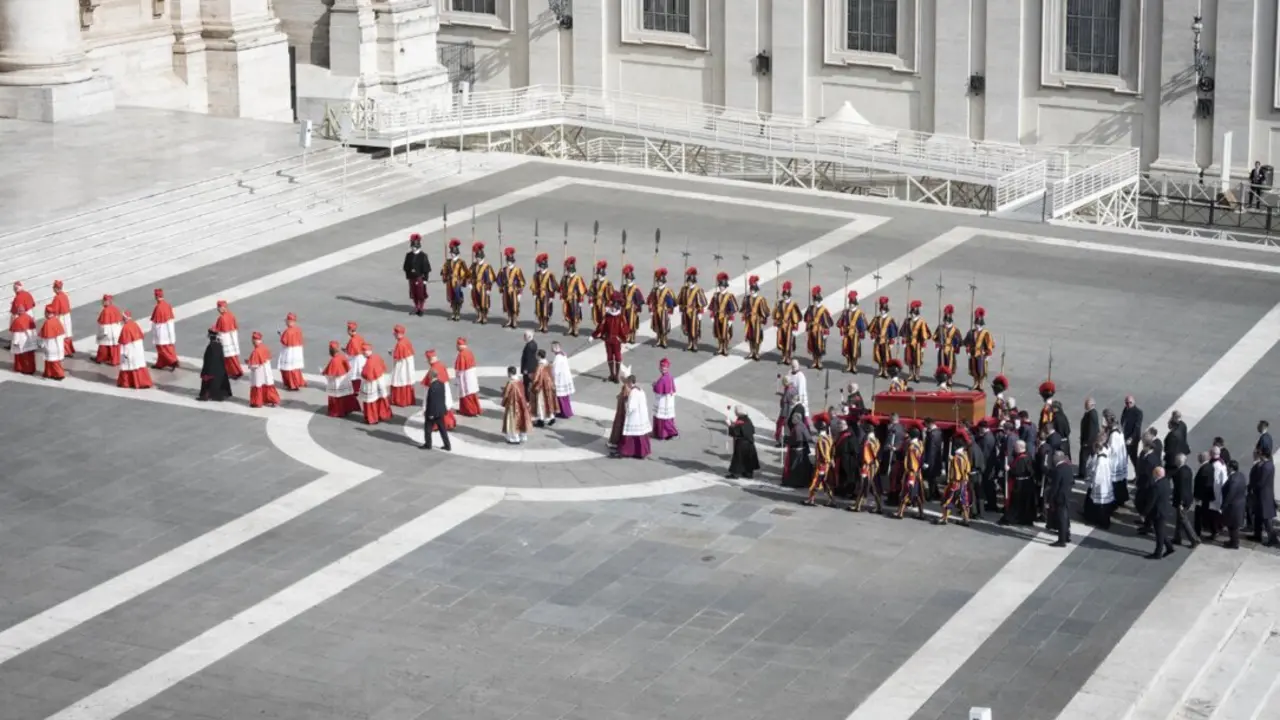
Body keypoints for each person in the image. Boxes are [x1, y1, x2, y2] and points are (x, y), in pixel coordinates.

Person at [592, 294, 627, 383]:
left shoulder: (620, 317)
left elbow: (625, 328)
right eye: (612, 307)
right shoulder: (607, 316)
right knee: (610, 356)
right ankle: (612, 374)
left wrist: (623, 338)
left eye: (614, 307)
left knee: (618, 357)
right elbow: (601, 327)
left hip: (616, 340)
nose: (612, 309)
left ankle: (617, 375)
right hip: (608, 339)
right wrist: (594, 335)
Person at [1142, 466, 1175, 559]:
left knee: (1159, 533)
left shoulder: (1156, 486)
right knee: (1161, 531)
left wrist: (1144, 513)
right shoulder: (1166, 482)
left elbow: (1151, 502)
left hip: (1158, 512)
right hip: (1164, 510)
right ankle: (1169, 547)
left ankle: (1158, 553)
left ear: (1156, 474)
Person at [805, 413, 837, 507]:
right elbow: (832, 450)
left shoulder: (822, 440)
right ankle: (831, 500)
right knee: (825, 483)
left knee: (816, 481)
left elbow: (824, 453)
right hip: (825, 464)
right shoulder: (829, 438)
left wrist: (824, 462)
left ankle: (811, 500)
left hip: (822, 464)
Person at [895, 428, 926, 520]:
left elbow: (913, 463)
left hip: (912, 472)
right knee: (917, 494)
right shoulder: (920, 444)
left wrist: (911, 476)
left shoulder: (912, 447)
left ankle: (900, 513)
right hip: (918, 473)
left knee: (906, 492)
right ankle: (921, 513)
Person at [116, 312, 153, 389]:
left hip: (130, 349)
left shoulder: (125, 328)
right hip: (138, 349)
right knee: (139, 365)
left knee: (127, 365)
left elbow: (124, 342)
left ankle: (126, 383)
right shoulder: (135, 324)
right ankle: (143, 382)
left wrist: (124, 353)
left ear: (125, 318)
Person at [937, 446, 972, 526]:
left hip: (956, 482)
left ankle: (944, 518)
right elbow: (967, 469)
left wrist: (952, 460)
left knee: (947, 499)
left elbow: (956, 472)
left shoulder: (956, 458)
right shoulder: (965, 455)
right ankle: (966, 519)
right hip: (964, 482)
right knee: (963, 501)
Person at [619, 375, 652, 459]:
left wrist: (626, 408)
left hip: (635, 417)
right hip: (642, 415)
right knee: (641, 434)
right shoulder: (641, 390)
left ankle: (628, 451)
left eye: (627, 383)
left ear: (630, 383)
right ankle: (643, 451)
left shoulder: (633, 393)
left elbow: (631, 407)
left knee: (631, 434)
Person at [851, 421, 882, 513]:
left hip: (868, 466)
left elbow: (868, 456)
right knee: (873, 487)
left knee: (863, 485)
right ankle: (878, 507)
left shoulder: (869, 441)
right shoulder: (875, 440)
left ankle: (858, 506)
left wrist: (863, 465)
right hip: (872, 465)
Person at [322, 341, 359, 418]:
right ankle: (347, 409)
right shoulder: (342, 357)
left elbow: (329, 373)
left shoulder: (333, 360)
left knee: (337, 397)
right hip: (344, 380)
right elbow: (348, 367)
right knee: (345, 395)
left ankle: (337, 412)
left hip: (336, 381)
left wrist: (323, 373)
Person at [422, 349, 457, 430]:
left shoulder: (432, 370)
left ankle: (435, 426)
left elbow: (428, 385)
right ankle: (449, 423)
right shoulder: (441, 365)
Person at [1249, 448, 1277, 546]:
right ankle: (1257, 534)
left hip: (1264, 495)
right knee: (1259, 516)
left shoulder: (1265, 467)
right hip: (1264, 494)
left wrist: (1253, 488)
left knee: (1266, 518)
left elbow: (1261, 482)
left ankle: (1272, 538)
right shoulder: (1269, 465)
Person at [1084, 436, 1114, 529]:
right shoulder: (1104, 457)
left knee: (1102, 506)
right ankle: (1101, 520)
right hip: (1106, 483)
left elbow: (1097, 475)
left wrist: (1093, 483)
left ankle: (1104, 523)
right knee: (1103, 505)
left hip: (1101, 486)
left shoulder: (1100, 460)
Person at [1171, 453, 1200, 547]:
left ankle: (1194, 539)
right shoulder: (1187, 469)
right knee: (1179, 519)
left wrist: (1181, 502)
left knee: (1183, 519)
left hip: (1182, 500)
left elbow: (1181, 488)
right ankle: (1177, 537)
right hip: (1188, 497)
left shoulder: (1180, 473)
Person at [783, 396, 813, 488]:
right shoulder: (801, 426)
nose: (792, 420)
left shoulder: (798, 428)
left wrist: (786, 440)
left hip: (797, 451)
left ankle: (796, 483)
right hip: (801, 450)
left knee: (796, 468)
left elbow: (797, 440)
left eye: (793, 419)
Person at [359, 344, 392, 425]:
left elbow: (366, 375)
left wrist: (362, 372)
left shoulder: (369, 363)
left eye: (363, 352)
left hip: (371, 384)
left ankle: (372, 418)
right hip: (380, 380)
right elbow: (383, 367)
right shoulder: (377, 357)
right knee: (380, 398)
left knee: (370, 401)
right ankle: (382, 414)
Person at [420, 368, 452, 451]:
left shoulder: (431, 388)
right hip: (440, 411)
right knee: (442, 429)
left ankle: (428, 444)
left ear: (431, 376)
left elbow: (431, 402)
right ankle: (447, 445)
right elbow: (442, 397)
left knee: (427, 429)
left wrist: (430, 414)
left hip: (432, 412)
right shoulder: (441, 384)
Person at [246, 331, 280, 408]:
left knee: (257, 385)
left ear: (254, 340)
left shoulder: (255, 352)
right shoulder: (265, 348)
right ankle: (273, 400)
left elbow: (254, 365)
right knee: (268, 384)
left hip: (258, 373)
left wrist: (249, 363)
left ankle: (257, 402)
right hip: (266, 371)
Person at [677, 267, 707, 352]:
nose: (689, 283)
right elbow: (680, 300)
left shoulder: (698, 290)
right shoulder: (684, 289)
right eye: (688, 281)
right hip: (686, 312)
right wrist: (681, 309)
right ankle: (690, 343)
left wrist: (700, 313)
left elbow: (702, 302)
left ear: (693, 281)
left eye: (690, 281)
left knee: (695, 329)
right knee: (688, 328)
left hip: (694, 312)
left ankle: (695, 344)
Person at [803, 285, 834, 370]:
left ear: (819, 300)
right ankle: (814, 361)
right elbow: (806, 318)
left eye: (816, 300)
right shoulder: (810, 308)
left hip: (820, 332)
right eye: (814, 300)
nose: (815, 302)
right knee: (813, 347)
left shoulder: (823, 310)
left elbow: (827, 323)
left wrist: (826, 333)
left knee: (819, 347)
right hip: (812, 331)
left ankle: (819, 362)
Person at [725, 406, 760, 480]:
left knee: (738, 459)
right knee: (748, 458)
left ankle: (735, 473)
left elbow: (735, 432)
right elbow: (752, 430)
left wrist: (730, 426)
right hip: (750, 443)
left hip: (742, 443)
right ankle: (748, 473)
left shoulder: (740, 421)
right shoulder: (748, 420)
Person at [212, 300, 244, 378]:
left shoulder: (221, 318)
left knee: (229, 358)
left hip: (225, 339)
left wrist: (212, 330)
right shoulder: (231, 315)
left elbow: (218, 329)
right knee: (234, 356)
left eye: (219, 308)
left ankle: (236, 372)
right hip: (233, 337)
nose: (218, 309)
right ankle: (236, 370)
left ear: (223, 308)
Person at [773, 281, 803, 365]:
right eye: (784, 295)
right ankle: (783, 357)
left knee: (788, 343)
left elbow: (796, 317)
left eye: (786, 295)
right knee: (781, 341)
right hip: (781, 325)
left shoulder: (793, 305)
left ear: (789, 295)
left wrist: (795, 328)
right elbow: (776, 315)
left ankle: (788, 357)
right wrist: (776, 324)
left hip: (789, 326)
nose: (785, 296)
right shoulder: (780, 303)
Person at [148, 289, 179, 371]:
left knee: (161, 348)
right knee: (167, 348)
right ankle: (160, 363)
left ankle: (173, 361)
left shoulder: (158, 307)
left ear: (156, 296)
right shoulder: (167, 305)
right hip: (167, 332)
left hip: (161, 332)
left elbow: (156, 322)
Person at [965, 306, 994, 391]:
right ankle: (975, 382)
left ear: (981, 324)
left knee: (981, 370)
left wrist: (988, 354)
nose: (976, 326)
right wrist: (968, 350)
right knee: (973, 369)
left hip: (981, 353)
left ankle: (980, 384)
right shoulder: (971, 332)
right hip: (973, 353)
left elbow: (989, 344)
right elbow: (967, 342)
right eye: (975, 324)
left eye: (978, 324)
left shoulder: (985, 333)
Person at [900, 299, 930, 382]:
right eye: (911, 313)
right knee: (909, 359)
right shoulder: (907, 321)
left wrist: (923, 345)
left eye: (913, 313)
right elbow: (903, 331)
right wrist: (904, 339)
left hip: (918, 344)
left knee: (917, 360)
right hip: (909, 343)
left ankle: (917, 375)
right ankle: (910, 374)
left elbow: (925, 334)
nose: (912, 315)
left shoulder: (921, 322)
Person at [742, 276, 771, 362]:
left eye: (753, 289)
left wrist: (762, 319)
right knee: (750, 337)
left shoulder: (761, 299)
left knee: (757, 337)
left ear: (756, 290)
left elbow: (765, 311)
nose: (751, 291)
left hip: (757, 321)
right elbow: (744, 309)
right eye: (751, 289)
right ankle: (751, 352)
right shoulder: (747, 298)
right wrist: (745, 316)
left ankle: (757, 353)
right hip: (749, 320)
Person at [867, 296, 897, 378]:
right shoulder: (876, 319)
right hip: (877, 341)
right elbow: (871, 329)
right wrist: (873, 336)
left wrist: (891, 341)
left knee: (886, 357)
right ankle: (880, 370)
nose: (882, 311)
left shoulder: (890, 320)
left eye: (884, 310)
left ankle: (886, 370)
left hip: (885, 341)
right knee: (878, 356)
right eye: (881, 310)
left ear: (886, 310)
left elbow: (892, 332)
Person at [198, 330, 233, 401]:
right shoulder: (220, 346)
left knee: (207, 381)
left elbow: (207, 360)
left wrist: (205, 371)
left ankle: (206, 395)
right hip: (220, 370)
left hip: (210, 370)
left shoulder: (210, 347)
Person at [1047, 450, 1073, 546]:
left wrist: (1050, 499)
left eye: (1054, 456)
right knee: (1065, 517)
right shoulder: (1068, 467)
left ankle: (1061, 540)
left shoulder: (1058, 470)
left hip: (1060, 497)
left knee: (1061, 518)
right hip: (1066, 495)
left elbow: (1055, 487)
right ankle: (1066, 536)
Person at [710, 272, 738, 357]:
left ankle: (725, 348)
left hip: (726, 317)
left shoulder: (729, 296)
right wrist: (712, 315)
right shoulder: (716, 295)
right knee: (718, 333)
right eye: (720, 286)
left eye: (722, 286)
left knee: (725, 334)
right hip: (717, 317)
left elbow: (733, 309)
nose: (721, 288)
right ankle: (720, 347)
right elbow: (713, 306)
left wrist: (731, 319)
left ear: (725, 286)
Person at [468, 241, 497, 324]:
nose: (478, 258)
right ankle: (479, 316)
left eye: (479, 257)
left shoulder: (487, 267)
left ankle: (484, 317)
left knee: (484, 302)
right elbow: (469, 275)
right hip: (475, 286)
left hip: (483, 287)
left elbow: (489, 279)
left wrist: (489, 288)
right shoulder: (473, 265)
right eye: (477, 257)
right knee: (476, 301)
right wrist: (470, 283)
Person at [501, 366, 531, 444]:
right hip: (521, 403)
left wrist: (503, 401)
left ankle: (514, 438)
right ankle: (522, 435)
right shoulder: (519, 381)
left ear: (510, 373)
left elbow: (506, 394)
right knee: (521, 419)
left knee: (512, 421)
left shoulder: (510, 383)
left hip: (512, 405)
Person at [403, 232, 431, 316]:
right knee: (413, 293)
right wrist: (408, 274)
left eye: (414, 247)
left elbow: (426, 268)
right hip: (412, 277)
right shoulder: (408, 255)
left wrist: (425, 279)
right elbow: (405, 266)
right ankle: (416, 307)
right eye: (412, 247)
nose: (413, 248)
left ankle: (421, 308)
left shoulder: (423, 256)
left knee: (420, 294)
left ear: (418, 246)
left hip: (419, 277)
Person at [647, 268, 676, 349]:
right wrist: (651, 309)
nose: (659, 283)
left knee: (664, 326)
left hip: (664, 311)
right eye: (658, 281)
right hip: (656, 311)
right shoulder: (654, 290)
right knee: (657, 326)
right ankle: (658, 340)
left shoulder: (667, 291)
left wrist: (670, 312)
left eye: (660, 282)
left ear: (663, 282)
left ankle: (664, 341)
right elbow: (651, 300)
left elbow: (670, 303)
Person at [1221, 460, 1247, 549]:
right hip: (1239, 503)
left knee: (1233, 525)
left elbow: (1230, 494)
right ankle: (1233, 541)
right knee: (1233, 524)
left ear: (1231, 468)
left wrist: (1224, 505)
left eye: (1228, 467)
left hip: (1233, 506)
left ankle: (1234, 543)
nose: (1227, 469)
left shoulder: (1233, 479)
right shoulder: (1241, 475)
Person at [441, 238, 469, 322]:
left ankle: (458, 313)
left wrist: (463, 280)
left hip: (457, 282)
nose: (452, 254)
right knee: (451, 297)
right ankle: (453, 312)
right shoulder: (448, 262)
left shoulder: (461, 262)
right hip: (450, 282)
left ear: (457, 253)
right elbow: (444, 271)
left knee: (457, 298)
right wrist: (445, 275)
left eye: (453, 253)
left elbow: (466, 273)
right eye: (451, 253)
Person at [389, 325, 416, 407]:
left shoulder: (400, 344)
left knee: (399, 380)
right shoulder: (406, 341)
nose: (394, 334)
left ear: (398, 334)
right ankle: (408, 399)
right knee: (406, 381)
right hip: (407, 366)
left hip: (401, 367)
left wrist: (392, 353)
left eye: (395, 333)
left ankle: (400, 400)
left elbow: (397, 357)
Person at [560, 257, 588, 337]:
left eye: (570, 271)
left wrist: (581, 301)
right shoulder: (564, 278)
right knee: (568, 313)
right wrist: (562, 297)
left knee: (575, 314)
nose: (569, 272)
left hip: (575, 298)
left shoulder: (577, 279)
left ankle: (575, 329)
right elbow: (562, 288)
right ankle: (570, 328)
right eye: (568, 270)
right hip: (566, 298)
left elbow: (581, 290)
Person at [93, 294, 124, 366]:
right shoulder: (115, 308)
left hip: (108, 333)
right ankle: (115, 360)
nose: (103, 302)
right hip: (116, 331)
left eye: (104, 301)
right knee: (114, 347)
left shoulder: (105, 311)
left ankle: (100, 359)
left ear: (108, 301)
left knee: (103, 346)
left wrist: (102, 334)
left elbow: (105, 324)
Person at [498, 246, 525, 328]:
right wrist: (501, 285)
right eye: (508, 261)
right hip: (506, 289)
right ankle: (509, 320)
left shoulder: (517, 270)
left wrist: (520, 292)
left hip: (514, 290)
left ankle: (515, 321)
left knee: (515, 306)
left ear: (513, 261)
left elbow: (522, 281)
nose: (509, 262)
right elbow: (499, 279)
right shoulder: (503, 270)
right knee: (507, 305)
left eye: (510, 261)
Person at [277, 313, 305, 391]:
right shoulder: (298, 329)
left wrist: (280, 335)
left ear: (290, 321)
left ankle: (292, 384)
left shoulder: (287, 331)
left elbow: (284, 341)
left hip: (289, 352)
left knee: (289, 368)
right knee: (296, 368)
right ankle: (299, 381)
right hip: (297, 351)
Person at [651, 357, 678, 440]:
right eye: (662, 367)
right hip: (668, 400)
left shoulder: (663, 379)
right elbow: (673, 389)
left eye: (663, 367)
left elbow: (658, 389)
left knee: (662, 418)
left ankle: (664, 434)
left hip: (663, 401)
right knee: (668, 418)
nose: (662, 369)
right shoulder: (670, 376)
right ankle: (671, 432)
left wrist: (654, 385)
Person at [454, 337, 481, 416]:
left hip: (465, 377)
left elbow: (460, 369)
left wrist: (457, 379)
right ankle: (474, 409)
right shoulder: (469, 352)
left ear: (460, 345)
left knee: (466, 394)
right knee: (471, 393)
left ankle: (470, 411)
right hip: (471, 376)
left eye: (457, 345)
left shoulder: (461, 355)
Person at [38, 306, 67, 380]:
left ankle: (60, 374)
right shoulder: (56, 320)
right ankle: (48, 373)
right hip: (57, 345)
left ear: (47, 313)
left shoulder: (47, 323)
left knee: (54, 362)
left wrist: (41, 344)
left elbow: (45, 336)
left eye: (45, 312)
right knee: (49, 361)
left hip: (50, 345)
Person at [619, 264, 646, 343]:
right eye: (627, 278)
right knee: (625, 322)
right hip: (624, 308)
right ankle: (626, 336)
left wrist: (637, 308)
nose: (628, 280)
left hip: (632, 309)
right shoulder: (623, 287)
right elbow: (621, 297)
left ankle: (632, 337)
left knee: (632, 323)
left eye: (629, 279)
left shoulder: (635, 289)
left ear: (632, 279)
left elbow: (639, 299)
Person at [531, 253, 557, 333]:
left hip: (546, 294)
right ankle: (541, 324)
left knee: (545, 310)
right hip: (538, 294)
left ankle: (545, 325)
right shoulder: (536, 274)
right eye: (540, 266)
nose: (541, 268)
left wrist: (552, 297)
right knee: (539, 310)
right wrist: (534, 293)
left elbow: (553, 286)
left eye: (542, 266)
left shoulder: (550, 275)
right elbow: (534, 285)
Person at [530, 349, 556, 427]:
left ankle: (541, 420)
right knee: (548, 402)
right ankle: (551, 417)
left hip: (541, 386)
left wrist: (532, 380)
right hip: (548, 384)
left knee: (541, 403)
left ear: (539, 356)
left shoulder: (540, 366)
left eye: (537, 355)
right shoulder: (548, 364)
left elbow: (536, 378)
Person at [48, 280, 73, 357]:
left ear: (56, 288)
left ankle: (65, 351)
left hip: (61, 317)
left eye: (53, 287)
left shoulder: (57, 297)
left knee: (62, 334)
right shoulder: (65, 295)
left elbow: (54, 309)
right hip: (67, 316)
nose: (53, 289)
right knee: (67, 333)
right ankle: (69, 350)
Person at [550, 341, 575, 419]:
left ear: (555, 348)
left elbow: (555, 370)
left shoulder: (558, 357)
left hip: (560, 379)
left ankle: (563, 413)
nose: (551, 349)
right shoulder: (563, 354)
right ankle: (567, 412)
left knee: (561, 397)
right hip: (565, 377)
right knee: (565, 397)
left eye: (552, 347)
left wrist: (551, 371)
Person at [8, 306, 36, 375]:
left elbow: (16, 333)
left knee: (21, 357)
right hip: (30, 340)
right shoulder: (29, 317)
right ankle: (31, 369)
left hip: (21, 341)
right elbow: (33, 330)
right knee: (29, 356)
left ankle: (22, 368)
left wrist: (15, 342)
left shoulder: (17, 320)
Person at [588, 260, 614, 330]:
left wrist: (608, 305)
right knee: (596, 316)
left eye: (599, 274)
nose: (598, 276)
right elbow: (591, 291)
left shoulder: (608, 284)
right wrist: (590, 300)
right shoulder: (594, 282)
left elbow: (611, 295)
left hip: (603, 302)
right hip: (596, 301)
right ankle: (599, 329)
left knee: (604, 317)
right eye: (597, 274)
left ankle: (605, 330)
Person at [1078, 398, 1099, 479]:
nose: (1085, 406)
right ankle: (1086, 472)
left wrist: (1087, 441)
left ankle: (1082, 474)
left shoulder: (1092, 414)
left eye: (1087, 404)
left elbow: (1092, 429)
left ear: (1092, 405)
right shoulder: (1091, 413)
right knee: (1093, 456)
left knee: (1083, 457)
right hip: (1090, 440)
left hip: (1089, 441)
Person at [344, 321, 367, 393]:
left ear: (350, 331)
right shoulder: (360, 337)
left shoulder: (353, 340)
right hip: (362, 358)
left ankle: (356, 390)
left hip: (356, 360)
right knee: (360, 375)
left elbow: (351, 352)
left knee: (354, 375)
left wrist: (345, 351)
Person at [1121, 395, 1143, 467]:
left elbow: (1137, 427)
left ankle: (1138, 474)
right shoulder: (1126, 409)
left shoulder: (1138, 413)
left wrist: (1131, 438)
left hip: (1133, 439)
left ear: (1134, 402)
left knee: (1133, 457)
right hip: (1125, 436)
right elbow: (1123, 420)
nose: (1128, 404)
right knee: (1124, 456)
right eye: (1127, 403)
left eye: (1130, 403)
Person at [519, 329, 538, 399]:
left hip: (528, 369)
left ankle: (527, 398)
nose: (524, 337)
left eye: (525, 336)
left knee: (527, 383)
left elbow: (528, 359)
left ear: (529, 336)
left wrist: (526, 369)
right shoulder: (533, 343)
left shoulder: (529, 346)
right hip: (532, 368)